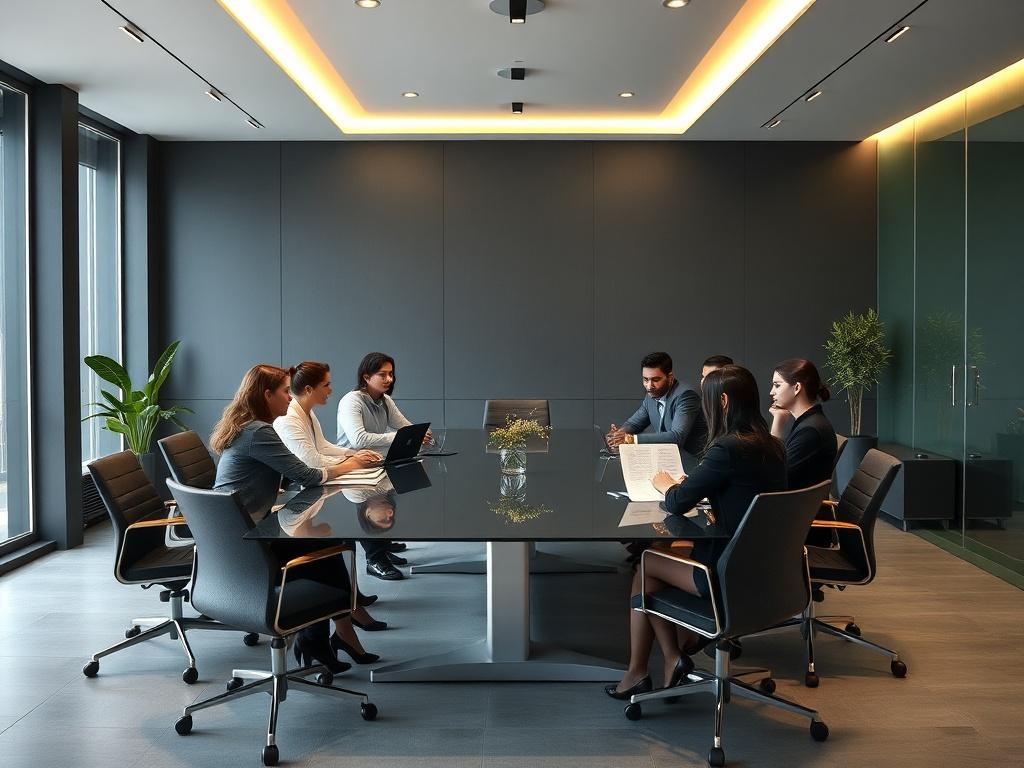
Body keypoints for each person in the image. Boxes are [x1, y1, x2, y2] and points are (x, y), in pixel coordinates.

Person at [605, 365, 787, 699]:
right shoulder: (772, 447)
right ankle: (674, 657)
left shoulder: (728, 448)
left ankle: (641, 671)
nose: (704, 407)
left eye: (708, 400)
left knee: (644, 566)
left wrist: (666, 485)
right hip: (768, 573)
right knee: (660, 554)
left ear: (725, 402)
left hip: (724, 573)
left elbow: (675, 503)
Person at [210, 364, 380, 672]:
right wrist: (350, 465)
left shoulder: (250, 426)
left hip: (229, 534)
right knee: (325, 552)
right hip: (246, 541)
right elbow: (306, 475)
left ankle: (334, 635)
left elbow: (288, 476)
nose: (291, 397)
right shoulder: (258, 431)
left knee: (328, 545)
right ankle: (317, 640)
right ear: (266, 395)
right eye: (286, 391)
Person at [273, 361, 391, 639]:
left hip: (307, 489)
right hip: (291, 496)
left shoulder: (307, 412)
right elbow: (310, 462)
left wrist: (353, 454)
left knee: (342, 536)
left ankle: (351, 603)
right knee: (336, 539)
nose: (331, 389)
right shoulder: (288, 418)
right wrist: (353, 462)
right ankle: (347, 610)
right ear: (310, 388)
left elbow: (322, 447)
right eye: (326, 384)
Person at [337, 352, 425, 580]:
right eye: (382, 374)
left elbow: (403, 426)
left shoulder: (384, 400)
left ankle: (383, 547)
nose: (389, 379)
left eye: (391, 374)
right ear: (366, 377)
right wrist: (397, 437)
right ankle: (375, 559)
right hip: (354, 467)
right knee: (376, 506)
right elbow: (359, 439)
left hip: (379, 463)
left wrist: (419, 434)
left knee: (389, 503)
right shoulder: (351, 401)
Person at [606, 352, 707, 472]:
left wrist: (630, 440)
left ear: (670, 377)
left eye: (656, 380)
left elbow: (677, 436)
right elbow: (635, 423)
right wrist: (619, 435)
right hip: (666, 463)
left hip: (693, 465)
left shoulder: (686, 396)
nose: (649, 386)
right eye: (645, 380)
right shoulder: (652, 395)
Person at [768, 358, 837, 491]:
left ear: (797, 388)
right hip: (797, 504)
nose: (772, 392)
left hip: (796, 508)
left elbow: (774, 476)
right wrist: (778, 419)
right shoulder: (810, 421)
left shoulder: (810, 430)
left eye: (777, 385)